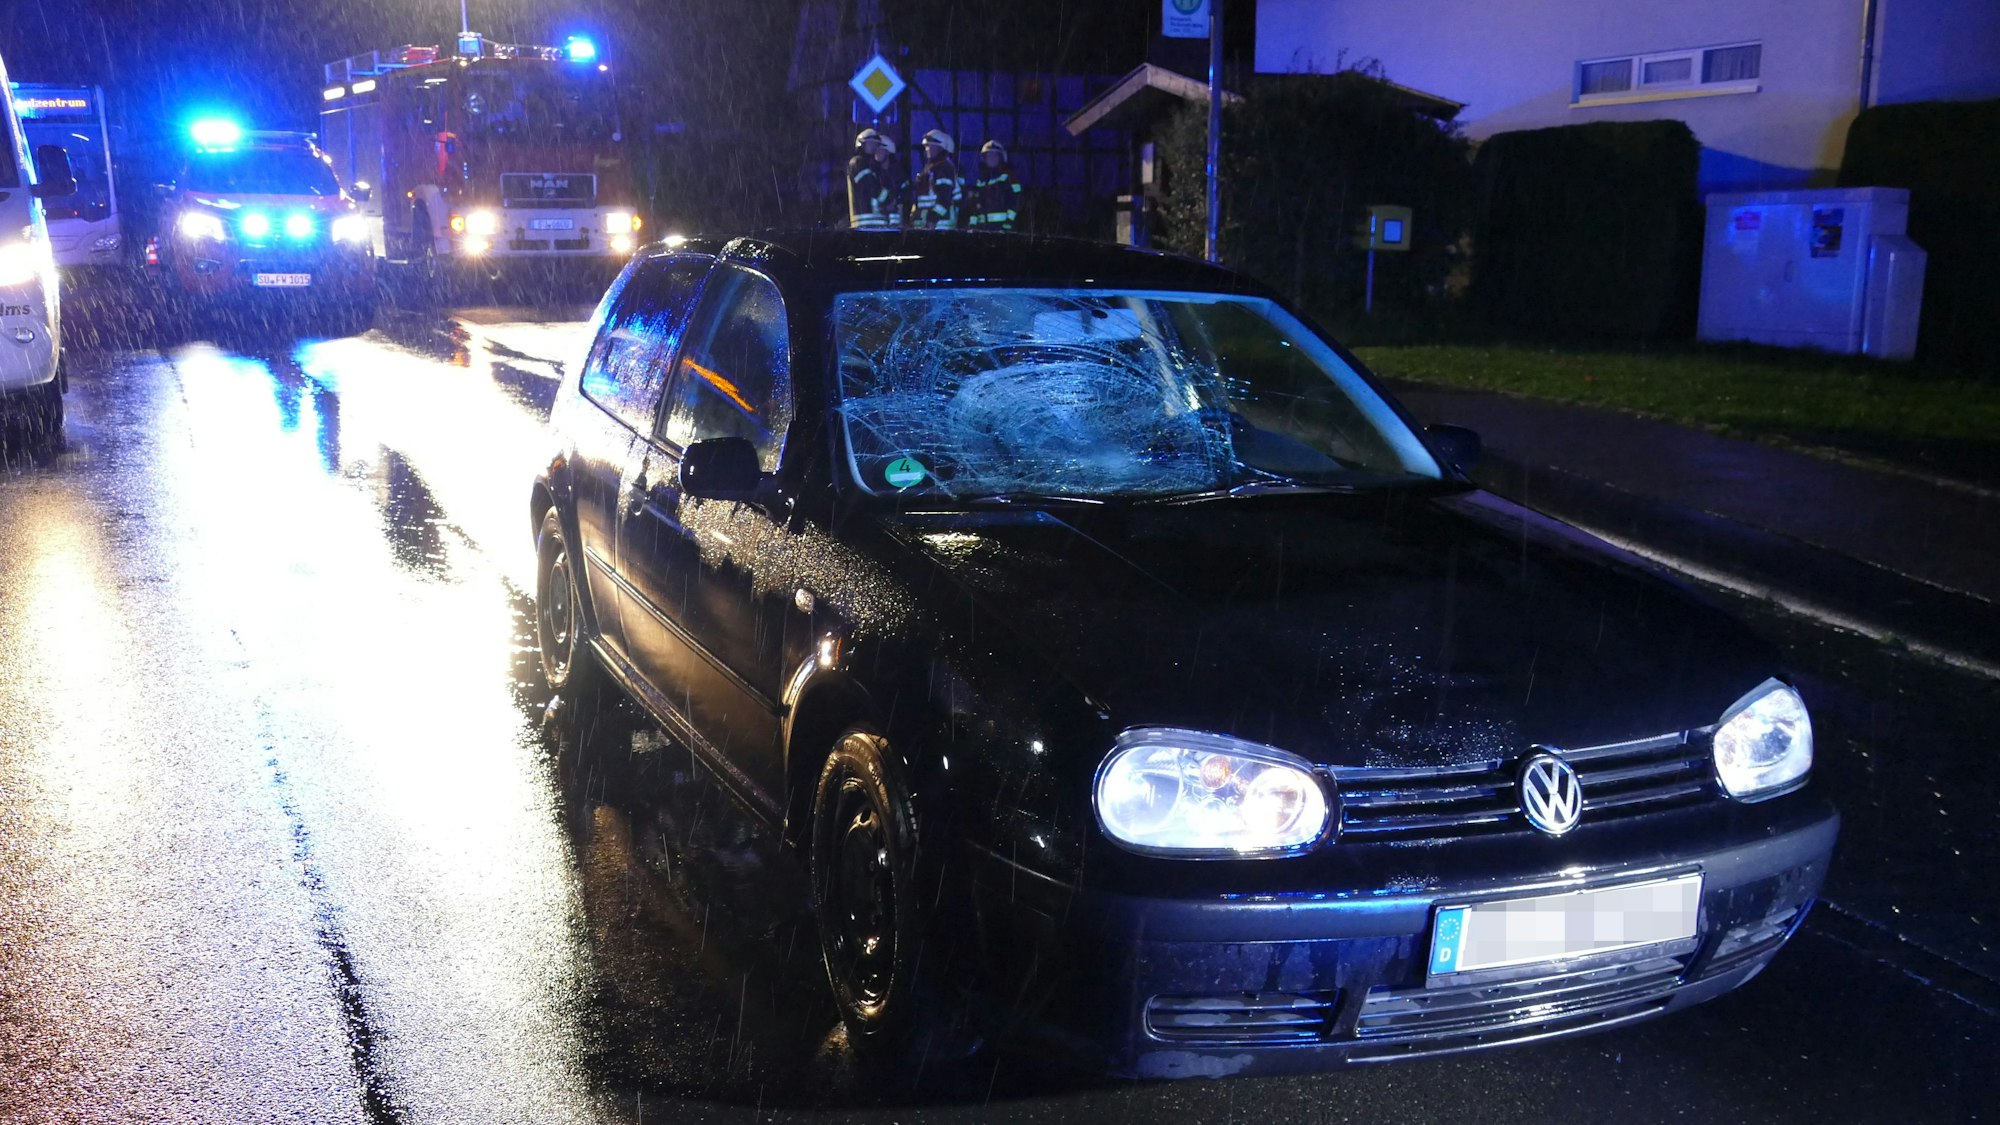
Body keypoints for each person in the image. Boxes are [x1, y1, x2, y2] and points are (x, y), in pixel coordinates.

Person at [910, 128, 961, 230]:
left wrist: (933, 218)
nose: (927, 149)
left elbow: (945, 198)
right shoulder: (929, 169)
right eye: (927, 146)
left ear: (940, 148)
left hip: (941, 224)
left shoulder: (945, 167)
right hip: (928, 224)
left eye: (931, 146)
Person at [966, 140, 1022, 232]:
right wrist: (972, 225)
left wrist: (1008, 224)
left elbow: (1016, 201)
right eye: (988, 156)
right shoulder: (981, 181)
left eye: (994, 155)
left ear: (1001, 158)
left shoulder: (1009, 178)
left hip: (1002, 229)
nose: (991, 158)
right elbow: (974, 205)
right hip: (982, 229)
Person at [846, 128, 889, 230]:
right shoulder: (858, 163)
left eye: (876, 144)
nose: (874, 147)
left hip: (878, 223)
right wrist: (888, 195)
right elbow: (872, 189)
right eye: (870, 144)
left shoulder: (873, 166)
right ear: (862, 145)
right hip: (864, 223)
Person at [875, 135, 905, 229]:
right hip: (879, 222)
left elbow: (905, 196)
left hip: (896, 223)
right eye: (876, 150)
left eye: (880, 150)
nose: (877, 153)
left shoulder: (898, 173)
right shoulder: (874, 173)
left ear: (888, 152)